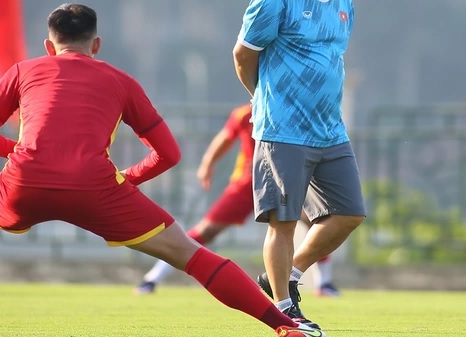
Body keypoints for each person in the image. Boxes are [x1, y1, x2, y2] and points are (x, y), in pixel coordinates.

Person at [0, 3, 324, 337]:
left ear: (49, 45)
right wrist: (126, 179)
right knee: (189, 253)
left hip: (24, 181)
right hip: (98, 189)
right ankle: (284, 324)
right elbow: (169, 154)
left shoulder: (24, 70)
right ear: (96, 45)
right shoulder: (121, 81)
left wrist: (21, 152)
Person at [232, 0, 366, 328]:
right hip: (283, 130)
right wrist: (264, 99)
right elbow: (243, 56)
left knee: (349, 214)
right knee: (284, 222)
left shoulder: (344, 2)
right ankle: (284, 308)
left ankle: (287, 275)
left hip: (329, 129)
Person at [135, 103, 340, 297]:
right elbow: (225, 138)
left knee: (316, 222)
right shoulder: (245, 113)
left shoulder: (294, 112)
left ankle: (324, 283)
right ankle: (152, 278)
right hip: (248, 184)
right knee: (207, 230)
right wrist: (207, 164)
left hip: (285, 181)